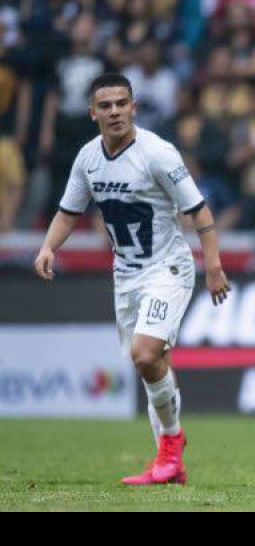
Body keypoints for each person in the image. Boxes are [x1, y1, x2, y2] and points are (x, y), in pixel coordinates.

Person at [34, 74, 230, 486]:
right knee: (154, 364)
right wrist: (49, 246)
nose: (115, 112)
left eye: (122, 103)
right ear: (93, 113)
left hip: (168, 268)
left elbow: (199, 210)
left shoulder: (158, 153)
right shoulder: (88, 158)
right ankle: (170, 463)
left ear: (134, 107)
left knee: (144, 354)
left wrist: (213, 267)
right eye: (105, 106)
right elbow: (69, 212)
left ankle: (171, 443)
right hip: (125, 275)